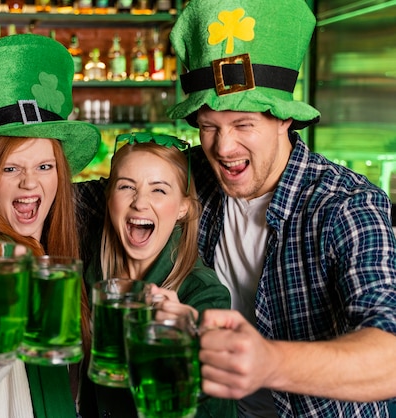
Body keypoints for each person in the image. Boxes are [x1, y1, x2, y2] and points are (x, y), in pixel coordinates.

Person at [77, 0, 396, 416]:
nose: (223, 148)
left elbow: (389, 355)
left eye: (244, 125)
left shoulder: (345, 206)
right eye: (209, 127)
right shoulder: (192, 179)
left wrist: (268, 363)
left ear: (284, 119)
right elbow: (88, 199)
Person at [0, 33, 101, 418]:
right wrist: (1, 314)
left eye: (45, 167)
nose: (30, 183)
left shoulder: (59, 247)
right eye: (11, 168)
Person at [78, 133, 236, 418]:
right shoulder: (90, 267)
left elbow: (217, 409)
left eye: (159, 190)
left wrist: (186, 346)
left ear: (183, 208)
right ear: (109, 197)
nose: (140, 203)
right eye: (126, 187)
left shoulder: (203, 294)